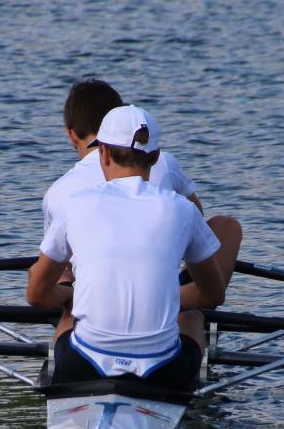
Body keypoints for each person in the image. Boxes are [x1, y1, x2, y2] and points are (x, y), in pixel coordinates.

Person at [26, 105, 233, 389]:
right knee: (193, 317)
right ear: (157, 157)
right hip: (163, 370)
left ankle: (57, 372)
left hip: (84, 365)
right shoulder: (183, 210)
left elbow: (35, 294)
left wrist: (71, 295)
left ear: (103, 153)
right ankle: (192, 384)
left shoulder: (76, 205)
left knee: (71, 309)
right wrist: (162, 298)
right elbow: (213, 294)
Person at [44, 78, 241, 289]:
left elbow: (41, 285)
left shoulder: (58, 193)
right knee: (226, 227)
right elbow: (197, 226)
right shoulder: (166, 164)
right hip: (166, 295)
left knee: (59, 272)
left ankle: (69, 314)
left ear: (72, 135)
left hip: (90, 300)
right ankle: (188, 307)